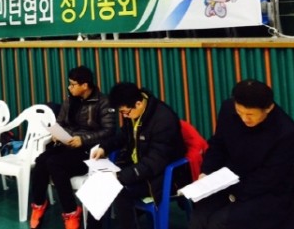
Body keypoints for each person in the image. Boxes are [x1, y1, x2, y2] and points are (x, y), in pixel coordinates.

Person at [189, 80, 294, 229]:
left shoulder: (286, 132)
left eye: (250, 114)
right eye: (239, 112)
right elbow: (218, 145)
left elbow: (270, 176)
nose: (244, 119)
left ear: (268, 108)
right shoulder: (228, 109)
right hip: (229, 180)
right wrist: (206, 172)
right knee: (200, 216)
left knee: (220, 222)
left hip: (266, 192)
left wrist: (233, 192)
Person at [86, 82, 187, 229]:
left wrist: (121, 176)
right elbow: (123, 136)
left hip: (160, 176)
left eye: (125, 112)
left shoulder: (163, 120)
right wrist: (104, 148)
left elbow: (155, 162)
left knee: (118, 189)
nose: (124, 116)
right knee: (99, 182)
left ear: (138, 104)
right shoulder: (134, 112)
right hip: (138, 168)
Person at [29, 66, 116, 229]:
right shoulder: (70, 100)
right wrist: (57, 133)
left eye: (73, 84)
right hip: (67, 146)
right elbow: (60, 122)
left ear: (85, 85)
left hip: (89, 152)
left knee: (54, 163)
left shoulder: (103, 102)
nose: (70, 88)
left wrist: (82, 140)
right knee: (40, 161)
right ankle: (39, 204)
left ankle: (71, 212)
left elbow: (109, 131)